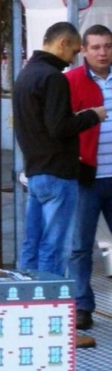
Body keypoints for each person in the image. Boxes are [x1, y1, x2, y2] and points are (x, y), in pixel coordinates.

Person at [14, 22, 104, 281]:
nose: (73, 58)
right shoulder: (53, 78)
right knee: (54, 247)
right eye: (74, 51)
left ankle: (25, 300)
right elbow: (59, 127)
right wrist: (92, 115)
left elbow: (41, 123)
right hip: (58, 173)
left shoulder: (26, 73)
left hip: (35, 172)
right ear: (62, 43)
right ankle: (46, 303)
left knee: (32, 244)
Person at [68, 24, 112, 333]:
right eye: (95, 46)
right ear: (83, 50)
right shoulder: (70, 82)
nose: (102, 52)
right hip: (87, 177)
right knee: (80, 246)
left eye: (107, 46)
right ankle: (82, 306)